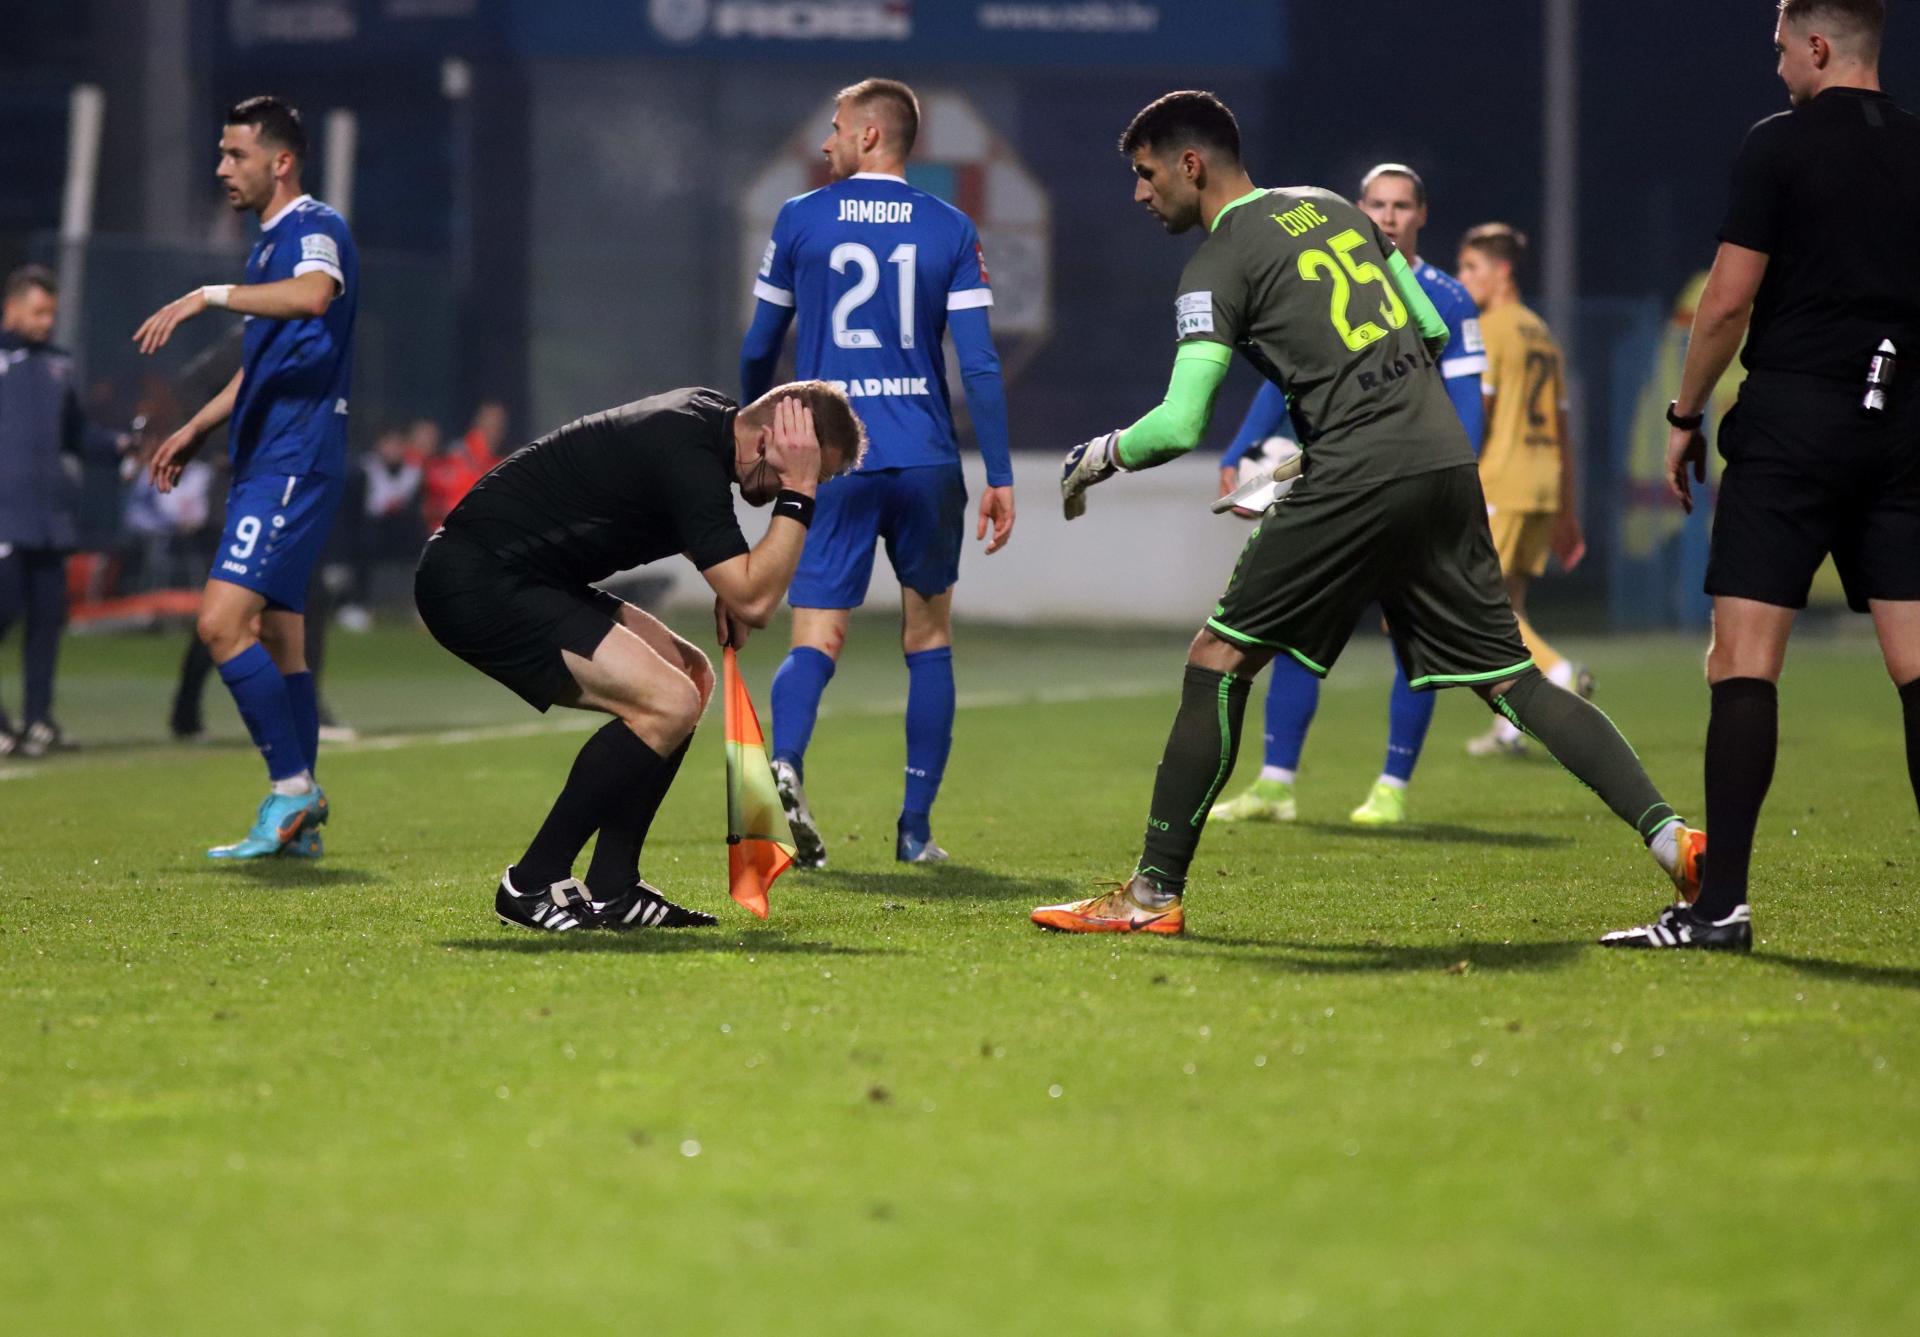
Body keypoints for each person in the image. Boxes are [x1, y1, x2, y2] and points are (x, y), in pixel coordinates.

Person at [1032, 90, 1705, 936]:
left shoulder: (1214, 265)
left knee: (1218, 658)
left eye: (1144, 173)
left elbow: (1179, 424)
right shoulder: (1333, 208)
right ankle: (1674, 839)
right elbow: (1427, 326)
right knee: (1511, 678)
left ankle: (1150, 897)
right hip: (1441, 461)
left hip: (1357, 473)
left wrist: (1093, 459)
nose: (1139, 192)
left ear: (1189, 164)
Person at [1604, 0, 1920, 951]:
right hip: (1903, 420)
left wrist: (1685, 414)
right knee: (1916, 666)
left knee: (1742, 661)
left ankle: (1719, 908)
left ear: (1819, 47)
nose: (1778, 64)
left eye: (1783, 47)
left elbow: (1727, 301)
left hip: (1794, 424)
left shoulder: (1778, 145)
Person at [413, 383, 866, 932]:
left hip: (526, 575)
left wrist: (731, 566)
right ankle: (531, 883)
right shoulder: (689, 454)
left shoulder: (707, 423)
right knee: (668, 702)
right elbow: (756, 600)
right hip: (477, 579)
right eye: (812, 468)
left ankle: (613, 887)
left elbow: (689, 526)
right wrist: (798, 492)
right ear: (775, 439)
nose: (804, 485)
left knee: (693, 678)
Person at [741, 77, 1016, 868]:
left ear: (868, 136)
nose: (825, 142)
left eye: (834, 128)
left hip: (835, 457)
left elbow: (760, 345)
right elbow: (981, 363)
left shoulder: (800, 219)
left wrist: (752, 427)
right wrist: (997, 471)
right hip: (926, 456)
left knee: (817, 632)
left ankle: (786, 761)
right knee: (928, 636)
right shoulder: (952, 228)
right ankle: (914, 831)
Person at [1208, 163, 1486, 827]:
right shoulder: (1324, 275)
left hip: (1414, 482)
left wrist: (1455, 473)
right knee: (1299, 627)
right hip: (1339, 482)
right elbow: (1283, 378)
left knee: (1414, 637)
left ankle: (1391, 784)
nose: (1388, 216)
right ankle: (1276, 783)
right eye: (1377, 203)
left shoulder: (1447, 299)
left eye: (1401, 206)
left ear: (1421, 215)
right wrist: (1241, 448)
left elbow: (1470, 404)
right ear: (1359, 207)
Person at [134, 95, 357, 859]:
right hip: (268, 455)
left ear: (280, 160)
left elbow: (316, 294)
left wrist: (206, 295)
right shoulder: (266, 248)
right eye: (223, 153)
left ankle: (292, 789)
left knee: (220, 624)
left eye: (236, 154)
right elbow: (262, 365)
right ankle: (300, 826)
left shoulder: (313, 228)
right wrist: (197, 428)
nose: (223, 167)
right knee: (280, 639)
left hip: (294, 458)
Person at [1454, 222, 1591, 757]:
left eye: (1472, 268)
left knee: (1479, 607)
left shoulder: (1492, 329)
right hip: (1541, 482)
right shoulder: (1542, 333)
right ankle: (1510, 726)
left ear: (1501, 271)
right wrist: (1567, 509)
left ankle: (1560, 673)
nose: (1465, 279)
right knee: (1511, 608)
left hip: (1501, 482)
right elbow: (1562, 429)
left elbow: (1478, 414)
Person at [0, 265, 134, 757]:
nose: (46, 322)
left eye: (51, 313)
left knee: (47, 623)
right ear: (10, 308)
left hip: (48, 519)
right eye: (37, 311)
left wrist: (121, 444)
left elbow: (76, 435)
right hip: (4, 517)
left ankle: (38, 721)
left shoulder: (58, 365)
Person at [421, 404, 504, 535]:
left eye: (499, 424)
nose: (494, 428)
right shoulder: (451, 456)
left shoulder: (500, 462)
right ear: (478, 422)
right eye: (490, 422)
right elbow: (431, 504)